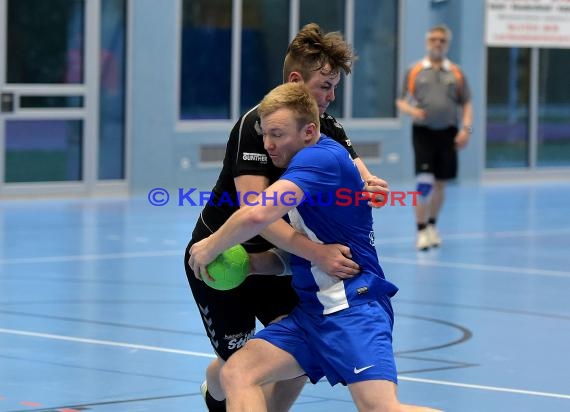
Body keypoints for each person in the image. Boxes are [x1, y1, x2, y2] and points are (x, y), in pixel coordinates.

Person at [188, 82, 441, 412]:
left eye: (277, 134)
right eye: (264, 135)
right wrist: (253, 264)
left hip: (353, 310)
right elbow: (301, 255)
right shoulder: (297, 169)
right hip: (310, 315)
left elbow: (257, 214)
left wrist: (208, 246)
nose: (268, 144)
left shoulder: (320, 159)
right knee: (237, 372)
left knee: (380, 408)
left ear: (309, 131)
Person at [184, 23, 389, 411]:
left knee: (289, 361)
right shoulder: (258, 125)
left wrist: (371, 187)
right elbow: (254, 210)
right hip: (226, 255)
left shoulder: (324, 128)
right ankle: (214, 386)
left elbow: (361, 176)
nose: (331, 97)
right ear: (297, 80)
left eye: (335, 88)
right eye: (325, 86)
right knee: (235, 368)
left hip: (280, 263)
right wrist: (316, 252)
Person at [396, 24, 473, 251]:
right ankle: (420, 230)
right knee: (424, 182)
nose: (437, 44)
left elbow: (467, 103)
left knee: (441, 183)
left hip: (448, 133)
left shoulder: (456, 73)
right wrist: (412, 111)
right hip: (423, 132)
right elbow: (401, 100)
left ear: (447, 44)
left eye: (442, 40)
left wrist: (466, 130)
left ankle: (432, 225)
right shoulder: (415, 70)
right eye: (433, 40)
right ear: (427, 42)